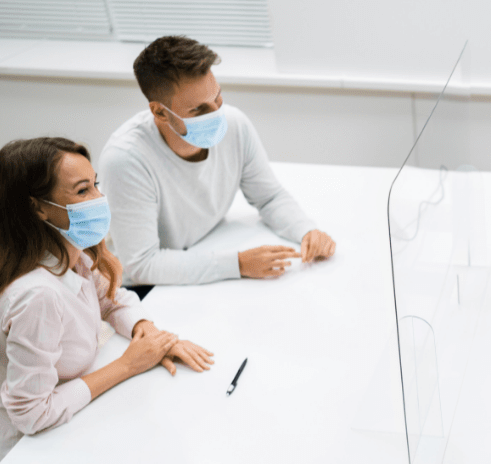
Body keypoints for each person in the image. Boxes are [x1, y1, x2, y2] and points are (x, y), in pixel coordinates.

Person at [0, 137, 214, 464]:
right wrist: (128, 364)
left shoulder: (67, 252)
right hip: (34, 458)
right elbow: (33, 415)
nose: (99, 200)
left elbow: (111, 297)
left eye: (95, 185)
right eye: (82, 192)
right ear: (37, 207)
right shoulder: (38, 296)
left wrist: (147, 334)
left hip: (74, 422)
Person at [100, 35, 336, 295]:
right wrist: (238, 263)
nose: (216, 114)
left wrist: (306, 230)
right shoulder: (125, 159)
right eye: (199, 110)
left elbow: (268, 197)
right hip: (151, 288)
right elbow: (141, 264)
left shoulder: (235, 125)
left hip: (207, 248)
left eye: (218, 98)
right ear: (160, 112)